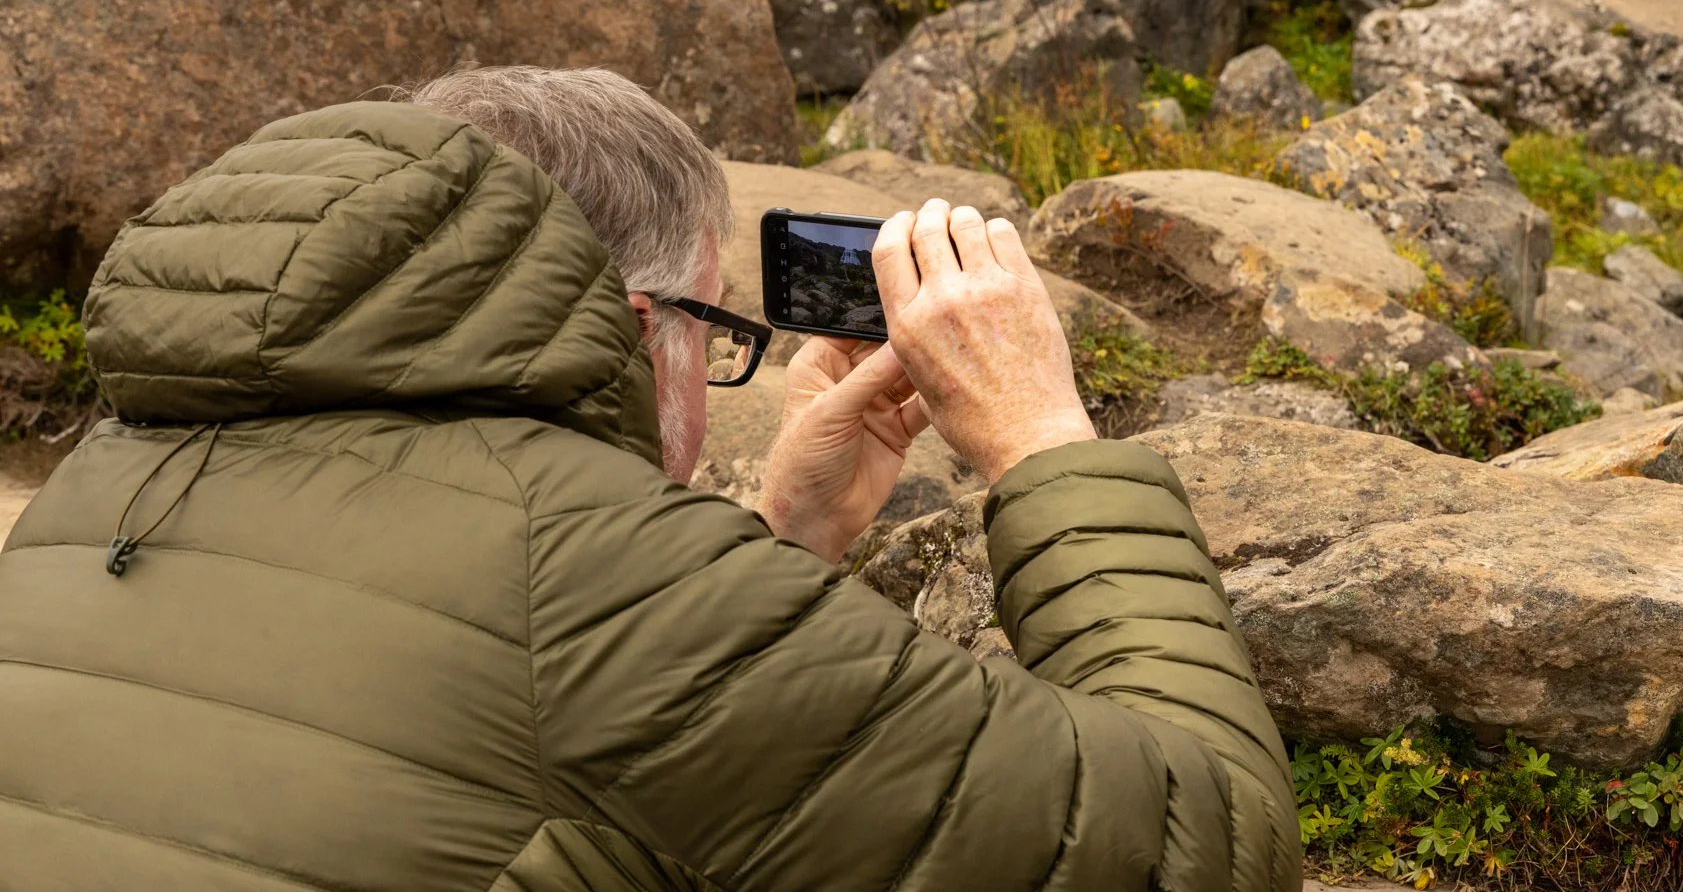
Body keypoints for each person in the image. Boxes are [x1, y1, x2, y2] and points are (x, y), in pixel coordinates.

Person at [0, 66, 1302, 890]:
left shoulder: (96, 495)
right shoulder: (611, 585)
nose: (714, 365)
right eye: (712, 329)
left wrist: (774, 537)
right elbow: (1214, 842)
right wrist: (1041, 442)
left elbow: (513, 768)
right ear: (632, 328)